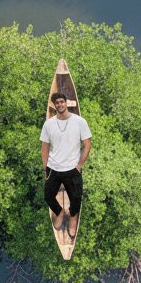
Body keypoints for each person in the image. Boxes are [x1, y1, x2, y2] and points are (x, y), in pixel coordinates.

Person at [41, 91, 92, 239]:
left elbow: (87, 145)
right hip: (54, 168)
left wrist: (79, 166)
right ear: (54, 105)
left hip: (72, 168)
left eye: (62, 102)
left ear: (66, 103)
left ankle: (73, 218)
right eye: (57, 103)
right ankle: (60, 212)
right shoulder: (49, 124)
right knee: (48, 196)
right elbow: (44, 147)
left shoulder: (80, 121)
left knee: (76, 198)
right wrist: (45, 167)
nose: (59, 104)